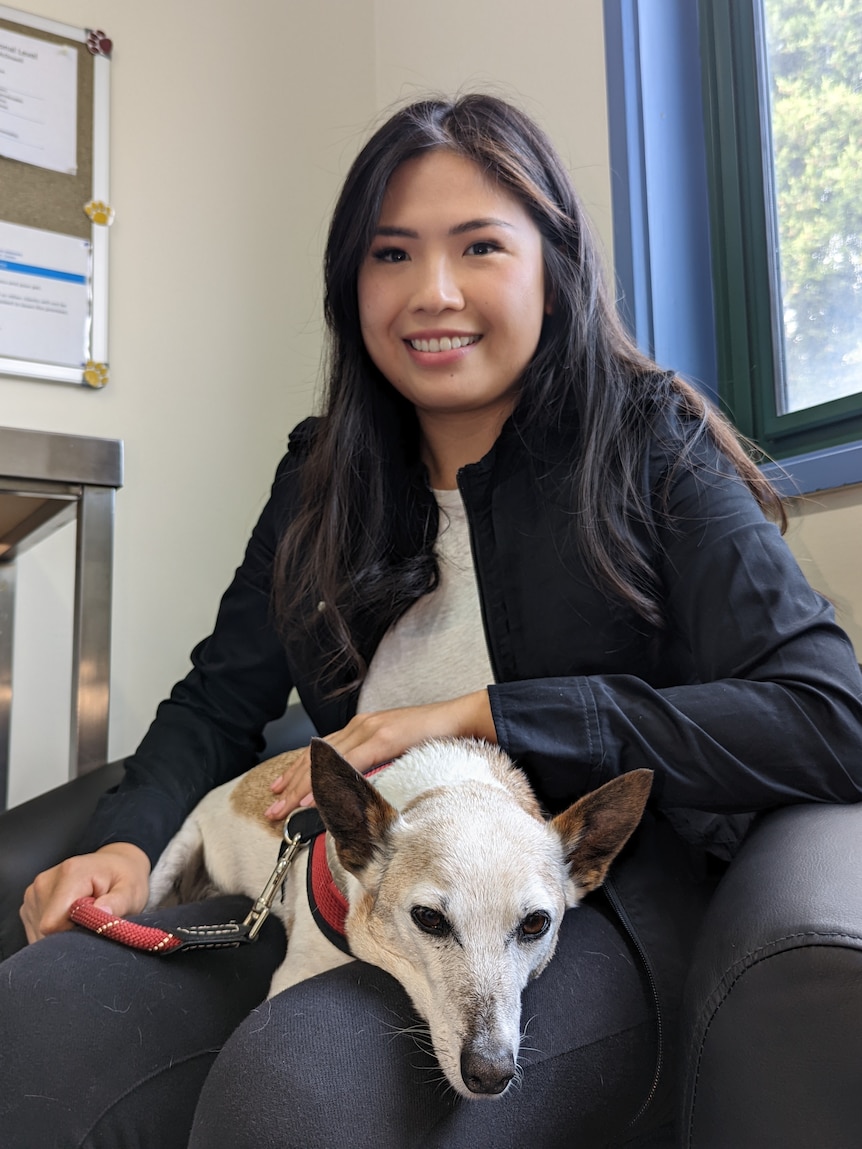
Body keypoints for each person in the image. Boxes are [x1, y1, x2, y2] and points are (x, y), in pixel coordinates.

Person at [2, 93, 862, 1149]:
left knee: (297, 1094)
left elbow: (827, 719)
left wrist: (491, 715)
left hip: (581, 923)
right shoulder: (320, 473)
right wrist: (127, 843)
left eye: (480, 246)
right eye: (392, 254)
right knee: (32, 1024)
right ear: (349, 285)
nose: (433, 292)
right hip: (332, 888)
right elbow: (218, 699)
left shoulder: (651, 443)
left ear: (553, 265)